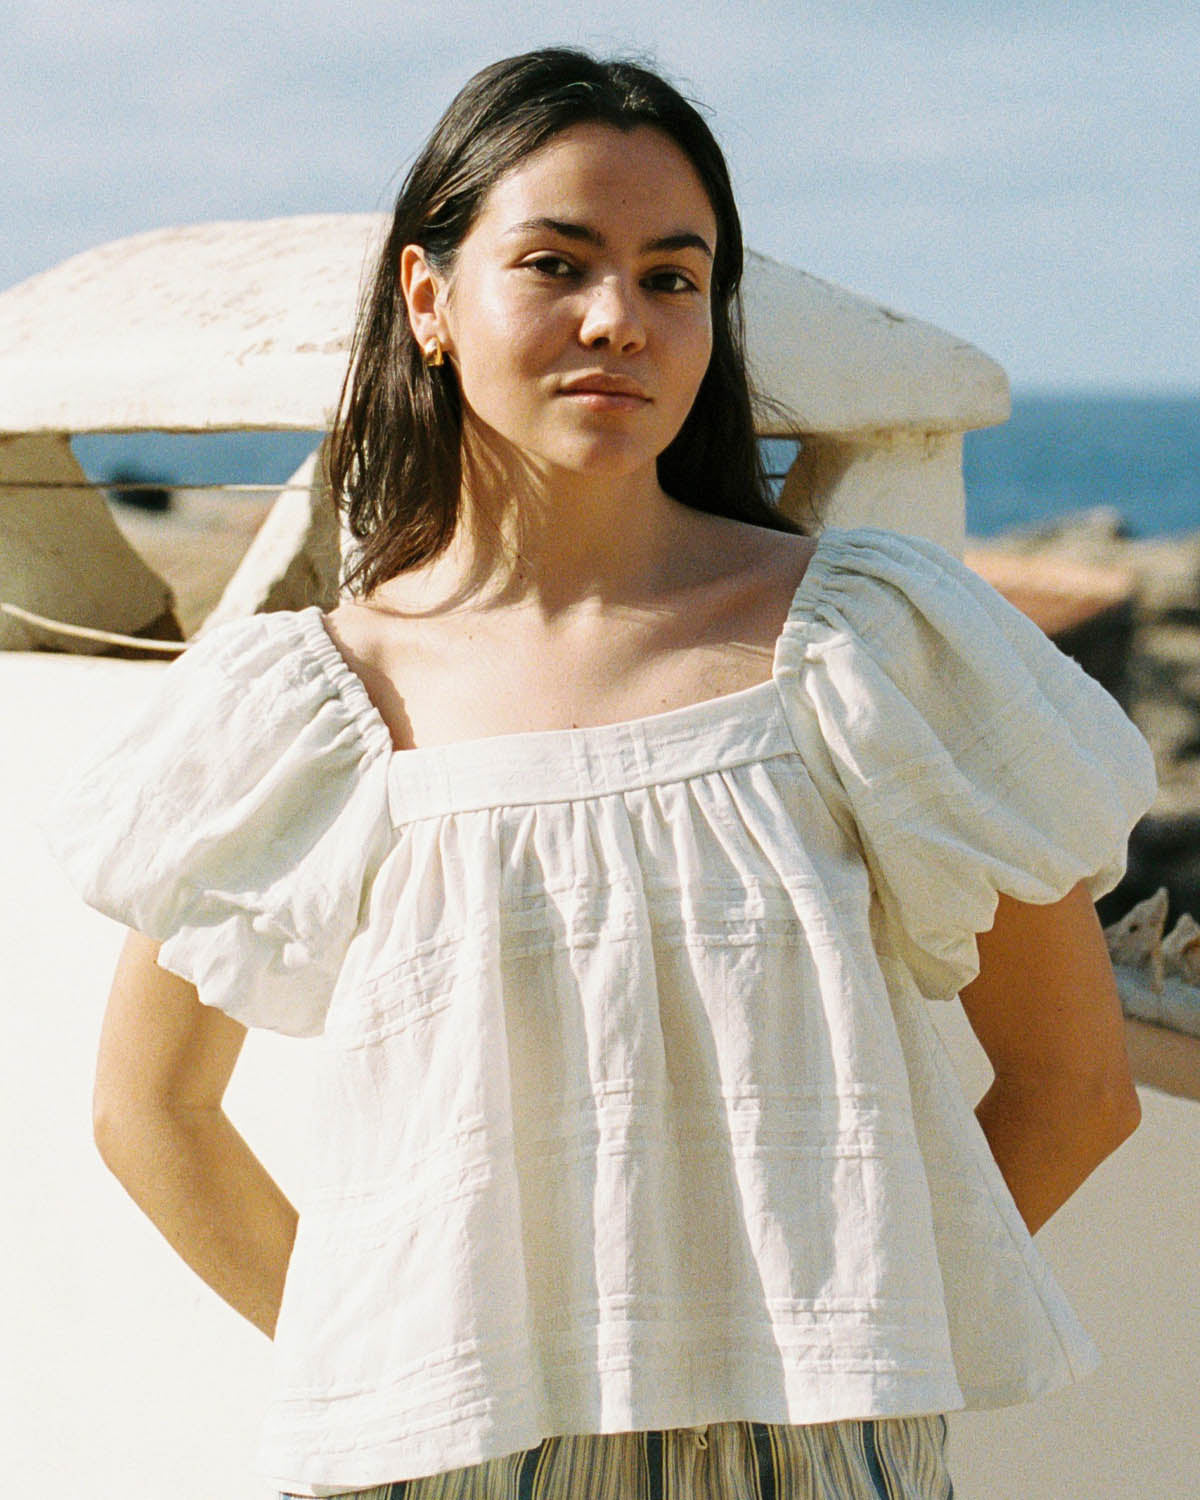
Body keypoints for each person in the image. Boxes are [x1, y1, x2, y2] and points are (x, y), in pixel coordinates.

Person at [41, 47, 1156, 1500]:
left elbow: (1076, 1082)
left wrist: (843, 1350)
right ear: (427, 301)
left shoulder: (872, 645)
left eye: (672, 277)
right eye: (557, 264)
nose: (618, 320)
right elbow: (151, 1118)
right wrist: (395, 1373)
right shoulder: (312, 706)